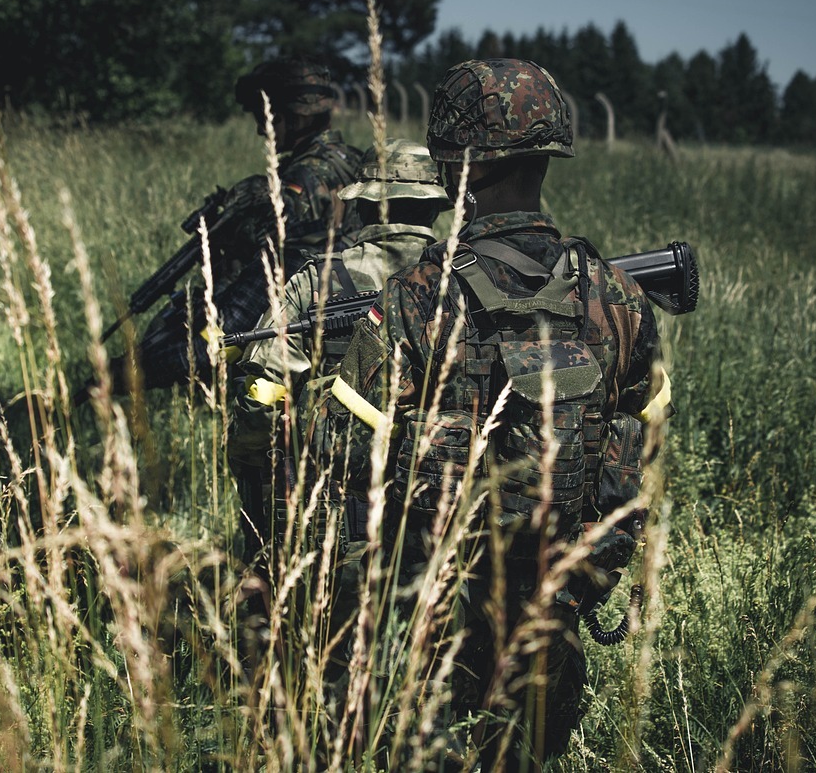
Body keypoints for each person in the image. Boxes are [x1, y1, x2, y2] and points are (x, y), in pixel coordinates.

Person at [307, 58, 667, 770]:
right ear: (547, 154)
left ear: (451, 166)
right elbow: (642, 456)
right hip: (552, 622)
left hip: (432, 627)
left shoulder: (416, 294)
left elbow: (341, 445)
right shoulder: (621, 295)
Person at [227, 137, 450, 571]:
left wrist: (253, 467)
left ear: (364, 205)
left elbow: (261, 401)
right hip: (446, 506)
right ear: (433, 208)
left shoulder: (318, 282)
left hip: (340, 516)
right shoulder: (465, 278)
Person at [136, 56, 363, 390]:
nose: (261, 130)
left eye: (266, 118)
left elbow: (268, 284)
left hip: (301, 347)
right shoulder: (353, 161)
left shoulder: (301, 181)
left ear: (292, 118)